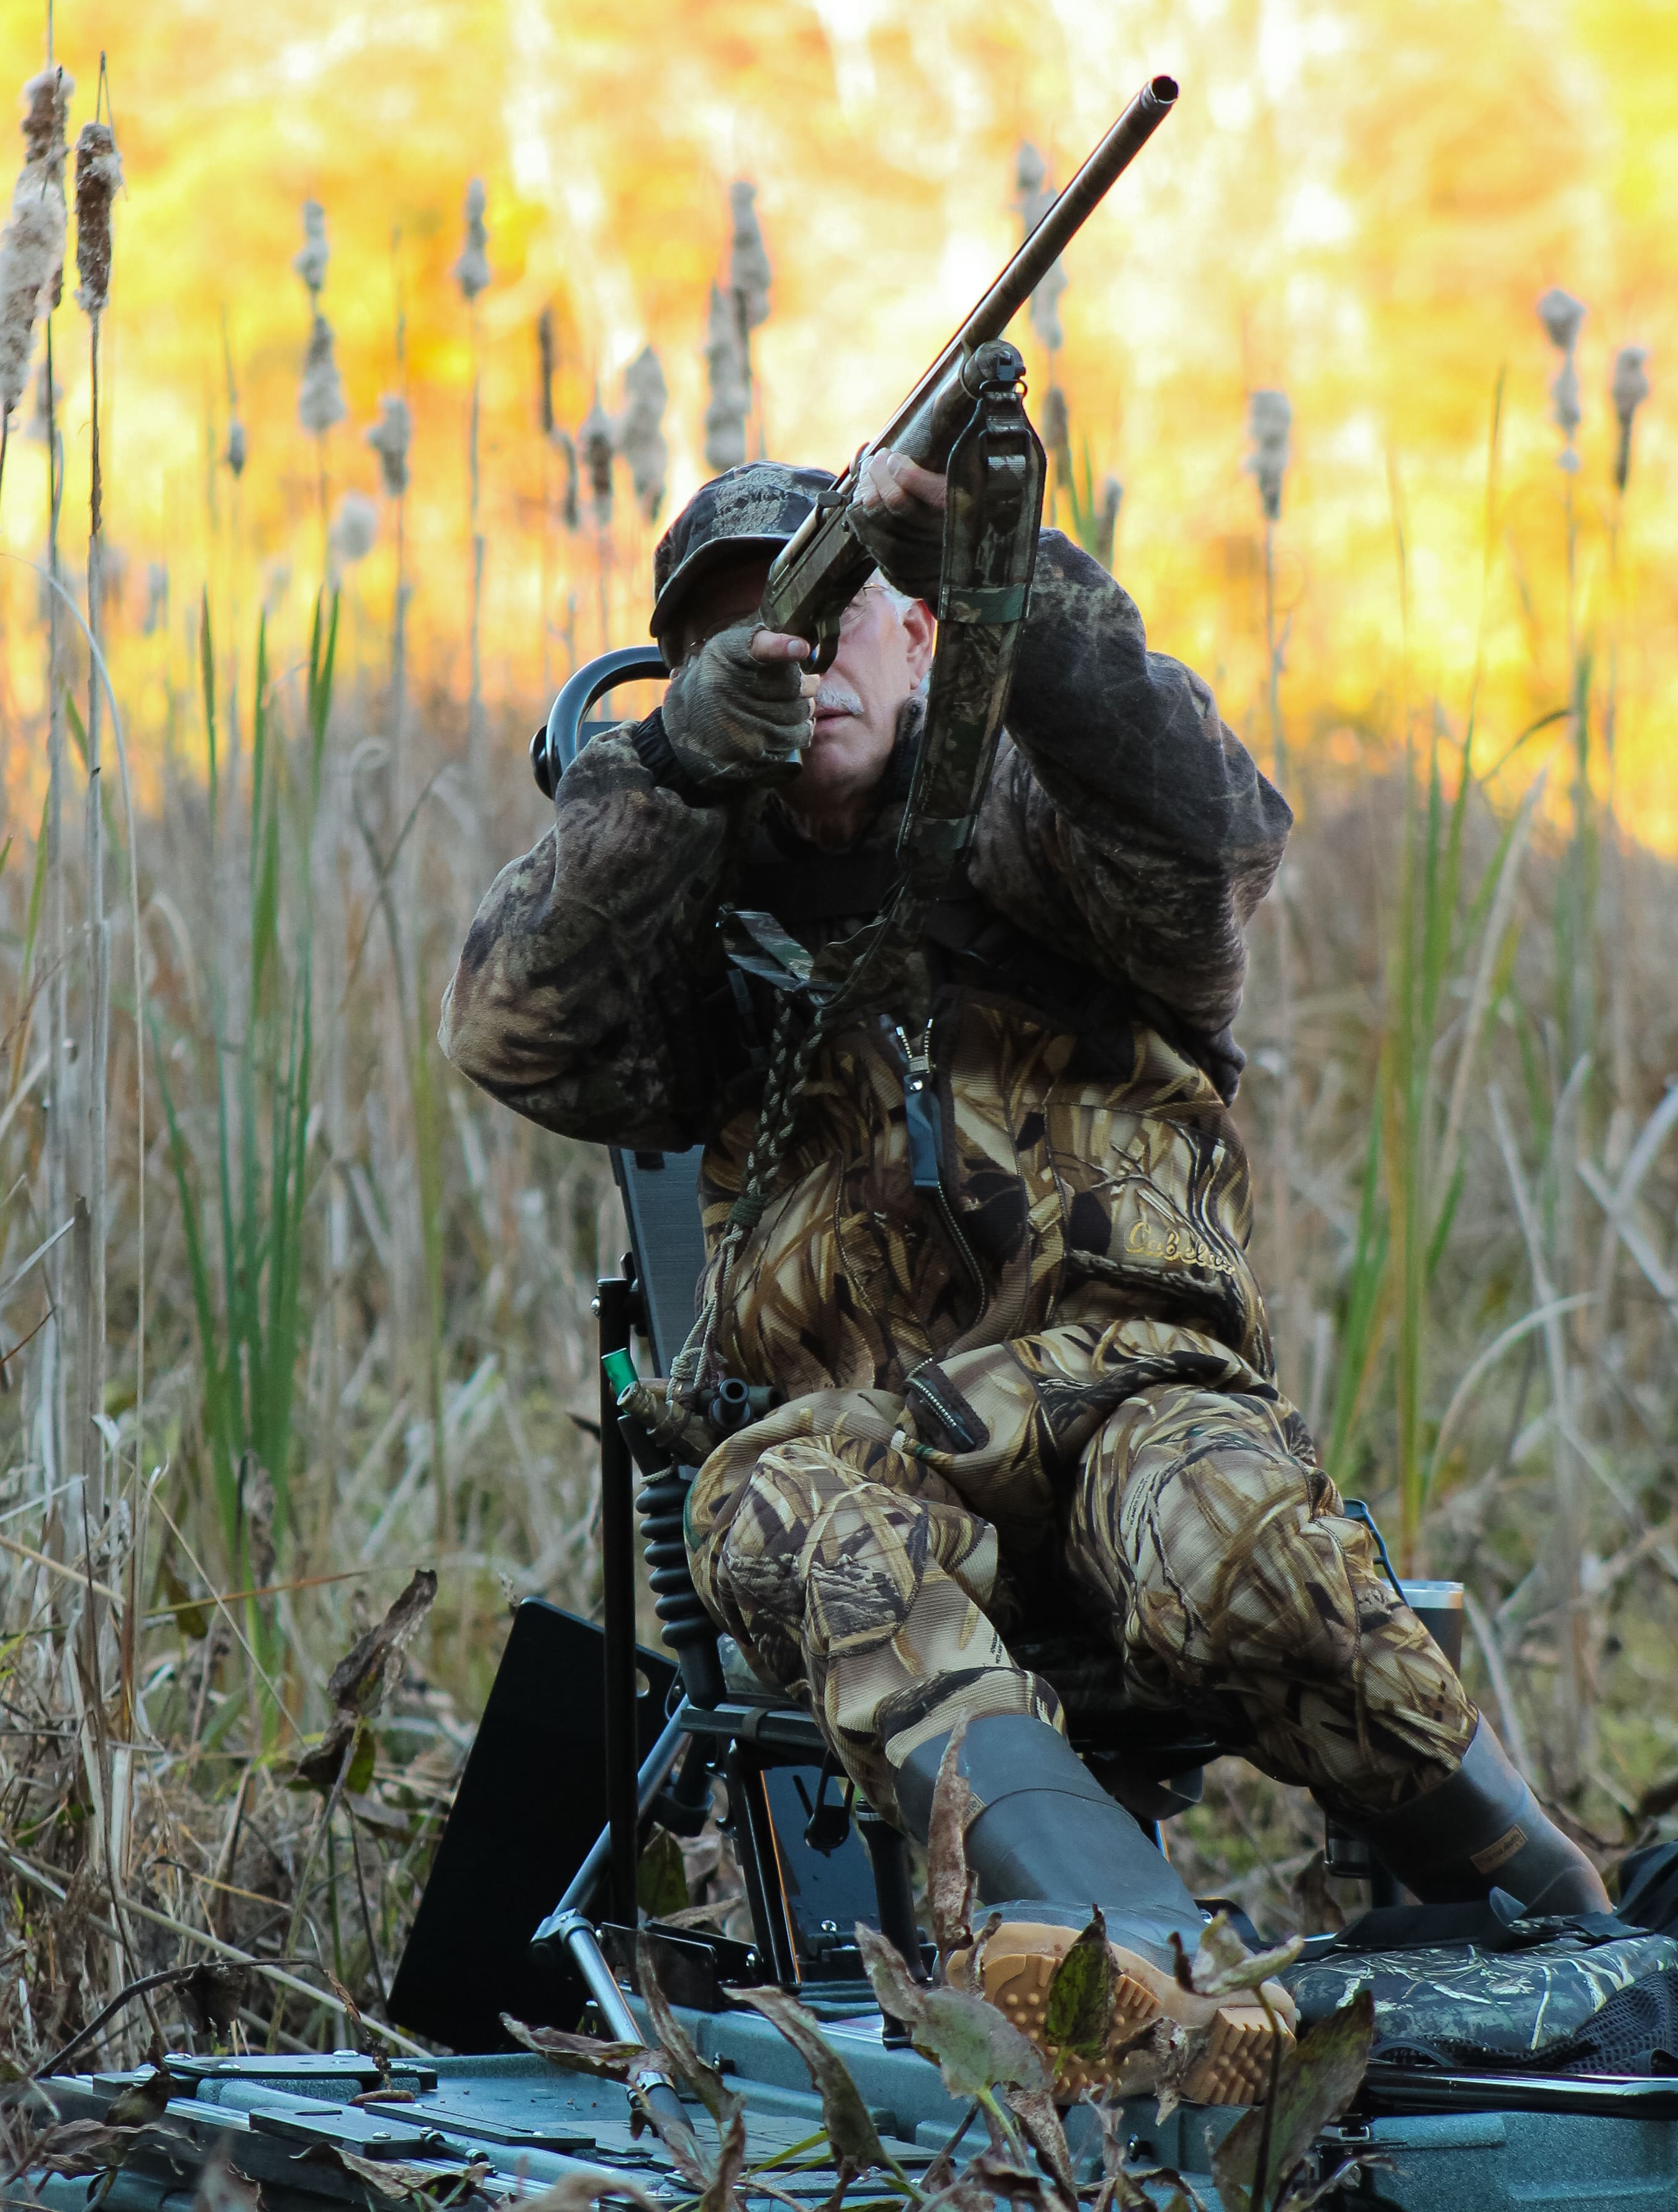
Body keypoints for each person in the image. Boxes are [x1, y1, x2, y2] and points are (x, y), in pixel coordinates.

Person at [442, 450, 1608, 2102]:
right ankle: (1121, 1970)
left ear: (921, 639)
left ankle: (1570, 1919)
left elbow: (1213, 832)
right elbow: (509, 1032)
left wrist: (1023, 578)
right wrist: (667, 772)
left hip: (1140, 1393)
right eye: (743, 632)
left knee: (1233, 1552)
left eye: (837, 608)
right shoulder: (688, 906)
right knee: (773, 1510)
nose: (799, 651)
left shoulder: (1047, 818)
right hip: (866, 1441)